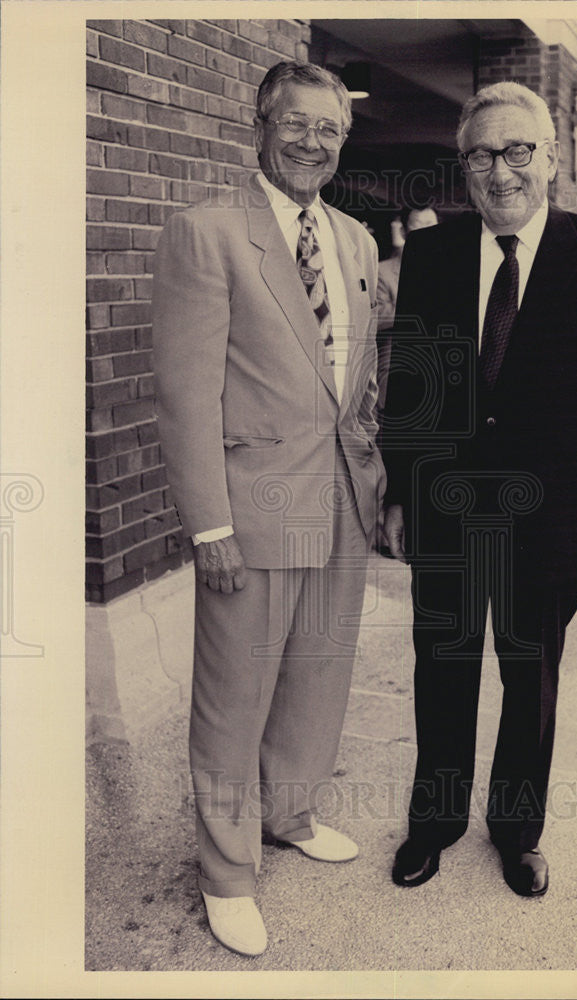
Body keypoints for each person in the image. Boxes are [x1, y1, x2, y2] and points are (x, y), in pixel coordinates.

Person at [380, 81, 577, 898]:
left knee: (529, 674)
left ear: (553, 159)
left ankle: (517, 828)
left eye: (517, 151)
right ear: (464, 166)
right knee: (443, 665)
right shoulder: (432, 254)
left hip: (554, 514)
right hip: (448, 508)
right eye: (480, 155)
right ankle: (433, 822)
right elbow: (413, 387)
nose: (500, 172)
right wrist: (400, 492)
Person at [152, 61, 384, 956]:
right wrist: (208, 525)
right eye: (297, 123)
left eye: (330, 129)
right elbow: (184, 395)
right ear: (260, 121)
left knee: (317, 679)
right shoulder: (207, 233)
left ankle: (289, 814)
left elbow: (355, 384)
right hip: (249, 508)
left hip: (339, 498)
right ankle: (226, 872)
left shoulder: (356, 241)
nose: (313, 142)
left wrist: (377, 480)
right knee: (234, 696)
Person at [375, 204, 439, 412]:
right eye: (417, 226)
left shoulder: (454, 268)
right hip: (399, 355)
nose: (426, 232)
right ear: (404, 231)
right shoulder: (383, 271)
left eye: (430, 225)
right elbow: (376, 316)